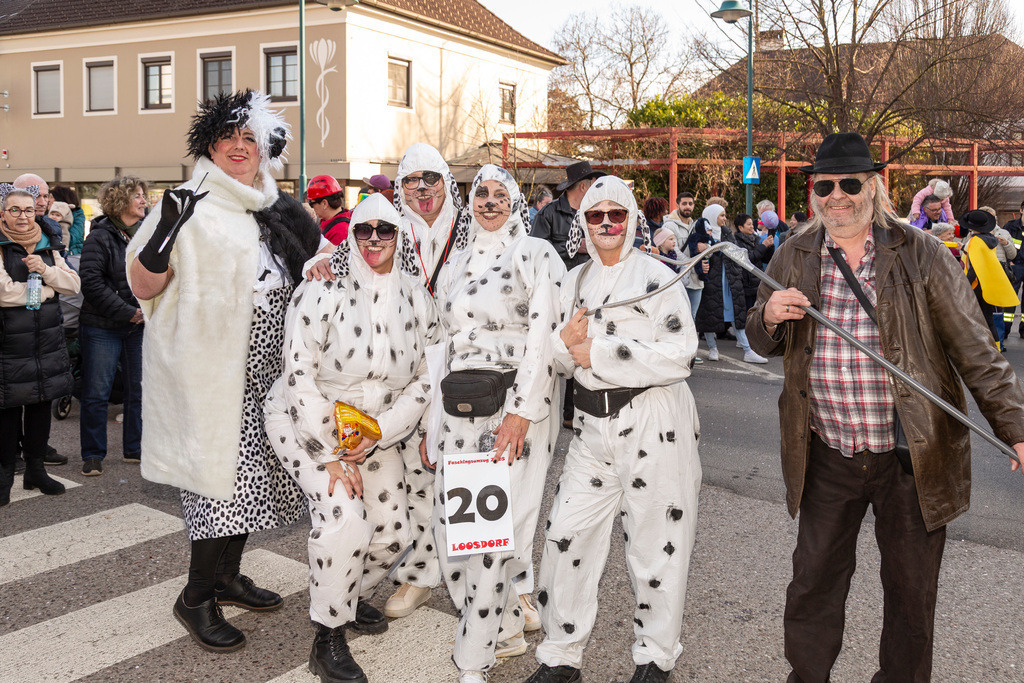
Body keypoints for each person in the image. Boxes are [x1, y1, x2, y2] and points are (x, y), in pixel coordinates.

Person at [747, 132, 1024, 683]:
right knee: (812, 585)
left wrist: (1014, 427)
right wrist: (769, 317)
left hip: (911, 455)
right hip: (827, 451)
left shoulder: (920, 253)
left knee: (911, 595)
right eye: (825, 185)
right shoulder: (793, 253)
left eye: (851, 183)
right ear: (813, 192)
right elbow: (761, 339)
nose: (837, 196)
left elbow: (975, 349)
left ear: (874, 188)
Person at [127, 90, 330, 654]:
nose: (239, 148)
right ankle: (195, 597)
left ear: (266, 148)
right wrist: (165, 233)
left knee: (254, 481)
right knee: (219, 485)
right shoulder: (187, 202)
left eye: (250, 138)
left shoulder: (281, 208)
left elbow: (315, 277)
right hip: (211, 373)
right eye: (228, 138)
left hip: (273, 369)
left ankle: (225, 576)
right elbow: (143, 288)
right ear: (208, 145)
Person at [527, 175, 702, 683]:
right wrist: (568, 347)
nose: (606, 224)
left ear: (631, 220)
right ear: (583, 223)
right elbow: (558, 354)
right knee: (566, 534)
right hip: (591, 428)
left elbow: (678, 355)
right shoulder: (573, 280)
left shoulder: (659, 277)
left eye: (617, 215)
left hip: (654, 425)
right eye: (596, 215)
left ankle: (655, 656)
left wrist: (595, 352)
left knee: (658, 544)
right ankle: (561, 653)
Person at [264, 193, 439, 682]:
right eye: (365, 230)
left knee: (391, 533)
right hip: (306, 421)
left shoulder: (417, 296)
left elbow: (427, 377)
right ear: (353, 234)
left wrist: (383, 430)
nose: (376, 240)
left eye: (386, 230)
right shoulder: (323, 290)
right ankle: (328, 638)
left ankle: (345, 595)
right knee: (345, 519)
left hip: (372, 432)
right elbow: (297, 372)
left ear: (399, 235)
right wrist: (329, 452)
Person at [430, 164, 564, 682]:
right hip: (459, 410)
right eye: (480, 193)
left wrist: (521, 412)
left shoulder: (535, 255)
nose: (489, 202)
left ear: (515, 201)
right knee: (458, 531)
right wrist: (430, 427)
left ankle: (474, 660)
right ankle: (502, 624)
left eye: (499, 193)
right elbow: (438, 345)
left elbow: (543, 337)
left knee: (489, 538)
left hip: (513, 409)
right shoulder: (456, 264)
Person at [383, 142, 463, 620]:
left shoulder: (475, 226)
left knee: (479, 475)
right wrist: (318, 261)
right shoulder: (386, 230)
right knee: (417, 478)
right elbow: (341, 253)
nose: (423, 190)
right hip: (410, 372)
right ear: (400, 188)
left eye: (431, 178)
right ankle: (418, 576)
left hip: (469, 372)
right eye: (412, 181)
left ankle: (507, 583)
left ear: (446, 181)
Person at [0, 188, 80, 506]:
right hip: (8, 343)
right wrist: (47, 291)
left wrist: (46, 271)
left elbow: (73, 284)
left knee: (40, 407)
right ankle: (4, 475)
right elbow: (3, 293)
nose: (22, 216)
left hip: (46, 341)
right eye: (15, 210)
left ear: (37, 212)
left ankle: (35, 470)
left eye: (28, 210)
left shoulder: (49, 244)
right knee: (6, 411)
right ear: (3, 214)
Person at [78, 176, 148, 476]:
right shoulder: (100, 236)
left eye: (143, 195)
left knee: (139, 390)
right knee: (97, 392)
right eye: (138, 196)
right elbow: (91, 283)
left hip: (138, 325)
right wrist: (128, 312)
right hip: (102, 326)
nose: (144, 200)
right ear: (120, 202)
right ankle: (93, 454)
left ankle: (135, 448)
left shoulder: (146, 234)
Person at [532, 161, 603, 430]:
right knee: (549, 349)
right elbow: (536, 252)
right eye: (593, 185)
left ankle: (572, 412)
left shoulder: (594, 213)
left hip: (587, 291)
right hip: (553, 292)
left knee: (581, 347)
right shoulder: (549, 213)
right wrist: (574, 247)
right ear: (582, 186)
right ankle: (539, 405)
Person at [689, 205, 768, 364]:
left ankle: (747, 349)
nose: (725, 219)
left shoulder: (726, 233)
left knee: (736, 313)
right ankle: (712, 348)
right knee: (710, 314)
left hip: (730, 279)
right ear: (712, 216)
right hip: (712, 279)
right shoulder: (701, 233)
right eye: (722, 215)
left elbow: (736, 253)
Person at [960, 209, 1018, 349]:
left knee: (973, 318)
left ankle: (980, 349)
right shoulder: (990, 239)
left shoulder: (975, 241)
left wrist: (966, 285)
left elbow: (973, 267)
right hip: (987, 284)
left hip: (976, 285)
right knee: (989, 319)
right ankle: (996, 348)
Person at [661, 191, 703, 321]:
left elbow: (707, 248)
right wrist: (691, 263)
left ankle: (690, 342)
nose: (687, 206)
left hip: (696, 279)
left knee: (692, 316)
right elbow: (674, 251)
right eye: (684, 203)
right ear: (678, 205)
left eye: (690, 204)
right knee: (676, 316)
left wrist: (705, 251)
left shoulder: (697, 225)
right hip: (677, 277)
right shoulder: (669, 225)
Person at [732, 212, 774, 312]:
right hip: (747, 285)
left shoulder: (756, 239)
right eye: (749, 224)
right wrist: (763, 246)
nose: (752, 226)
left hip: (759, 283)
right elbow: (748, 259)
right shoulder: (736, 242)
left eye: (752, 224)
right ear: (740, 227)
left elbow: (765, 259)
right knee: (750, 311)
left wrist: (770, 246)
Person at [1001, 198, 1024, 337]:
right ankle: (1004, 330)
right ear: (1021, 210)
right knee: (1010, 298)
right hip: (1014, 267)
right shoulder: (1010, 226)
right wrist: (1009, 262)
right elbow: (1001, 244)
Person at [307, 174, 350, 245]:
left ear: (324, 203)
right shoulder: (331, 223)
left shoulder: (340, 231)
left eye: (311, 204)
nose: (312, 208)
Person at [51, 185, 86, 256]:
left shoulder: (77, 215)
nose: (48, 200)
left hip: (72, 255)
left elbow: (72, 238)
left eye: (51, 197)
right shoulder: (49, 216)